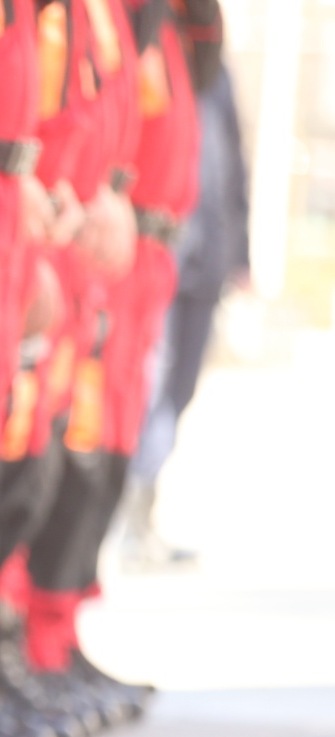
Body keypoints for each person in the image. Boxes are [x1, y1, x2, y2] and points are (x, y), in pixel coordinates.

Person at [122, 60, 245, 569]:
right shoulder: (154, 52)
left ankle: (146, 507)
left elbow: (235, 161)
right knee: (149, 383)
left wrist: (241, 255)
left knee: (182, 387)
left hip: (208, 252)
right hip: (162, 245)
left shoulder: (212, 65)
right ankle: (131, 518)